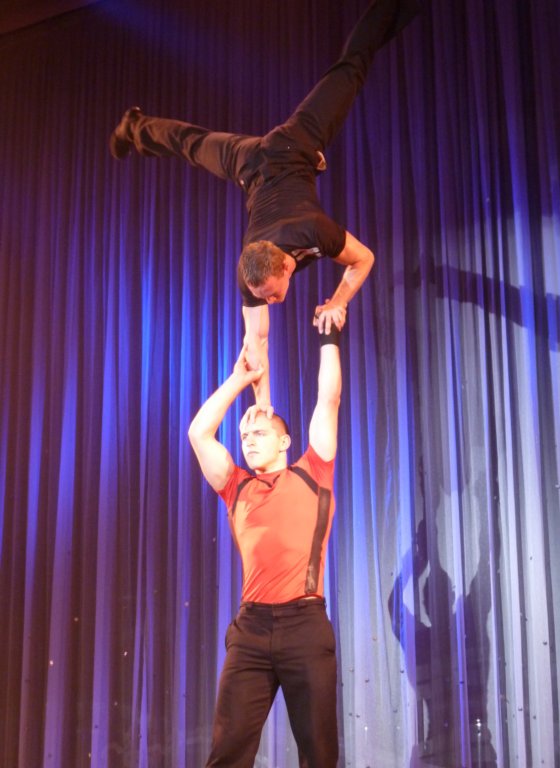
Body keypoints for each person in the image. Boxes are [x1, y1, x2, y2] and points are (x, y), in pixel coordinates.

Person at [110, 0, 420, 412]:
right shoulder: (250, 274)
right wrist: (265, 404)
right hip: (251, 164)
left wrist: (338, 301)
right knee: (191, 145)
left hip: (293, 143)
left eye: (271, 295)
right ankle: (133, 127)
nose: (272, 302)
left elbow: (363, 258)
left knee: (349, 71)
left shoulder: (314, 230)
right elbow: (256, 340)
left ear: (287, 267)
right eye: (266, 297)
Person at [187, 324, 343, 767]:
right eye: (244, 436)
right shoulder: (236, 486)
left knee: (319, 755)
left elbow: (328, 399)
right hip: (251, 630)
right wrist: (239, 379)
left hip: (304, 624)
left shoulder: (313, 471)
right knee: (228, 752)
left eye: (258, 433)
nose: (249, 441)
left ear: (284, 441)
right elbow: (199, 433)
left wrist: (329, 340)